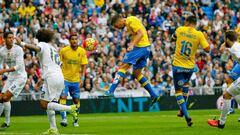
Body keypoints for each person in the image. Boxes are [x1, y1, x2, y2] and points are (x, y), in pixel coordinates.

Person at [16, 29, 78, 135]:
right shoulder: (53, 48)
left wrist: (21, 43)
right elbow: (59, 64)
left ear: (39, 37)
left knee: (44, 104)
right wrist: (42, 79)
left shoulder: (43, 44)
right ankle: (53, 128)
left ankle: (70, 108)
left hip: (52, 77)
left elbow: (36, 48)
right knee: (51, 103)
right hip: (58, 76)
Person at [100, 14, 160, 106]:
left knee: (123, 67)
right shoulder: (128, 26)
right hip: (146, 48)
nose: (117, 28)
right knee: (137, 74)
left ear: (119, 20)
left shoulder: (131, 20)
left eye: (116, 25)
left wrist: (132, 44)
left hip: (140, 47)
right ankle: (153, 95)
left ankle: (110, 91)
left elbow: (140, 33)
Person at [171, 15, 210, 126]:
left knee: (178, 91)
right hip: (189, 67)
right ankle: (182, 111)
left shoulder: (180, 29)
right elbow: (207, 50)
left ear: (187, 22)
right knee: (186, 86)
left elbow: (172, 38)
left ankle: (187, 115)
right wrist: (204, 39)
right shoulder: (199, 34)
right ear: (195, 23)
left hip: (178, 65)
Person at [208, 31, 240, 129]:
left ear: (227, 39)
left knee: (226, 95)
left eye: (224, 39)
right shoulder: (236, 45)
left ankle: (221, 123)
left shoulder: (234, 49)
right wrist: (223, 46)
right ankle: (221, 123)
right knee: (227, 93)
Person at [59, 34, 88, 127]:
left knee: (76, 101)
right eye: (72, 39)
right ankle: (64, 119)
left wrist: (82, 78)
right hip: (64, 79)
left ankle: (75, 120)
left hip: (76, 80)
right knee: (63, 97)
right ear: (69, 41)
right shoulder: (64, 51)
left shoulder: (82, 51)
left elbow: (84, 65)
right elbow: (58, 64)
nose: (74, 41)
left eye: (76, 39)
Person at [0, 31, 27, 130]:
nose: (12, 39)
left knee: (5, 97)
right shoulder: (2, 51)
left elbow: (19, 66)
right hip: (11, 77)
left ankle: (7, 122)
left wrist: (4, 70)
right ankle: (6, 123)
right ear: (4, 39)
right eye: (9, 38)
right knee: (2, 98)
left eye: (13, 38)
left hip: (20, 77)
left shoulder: (18, 49)